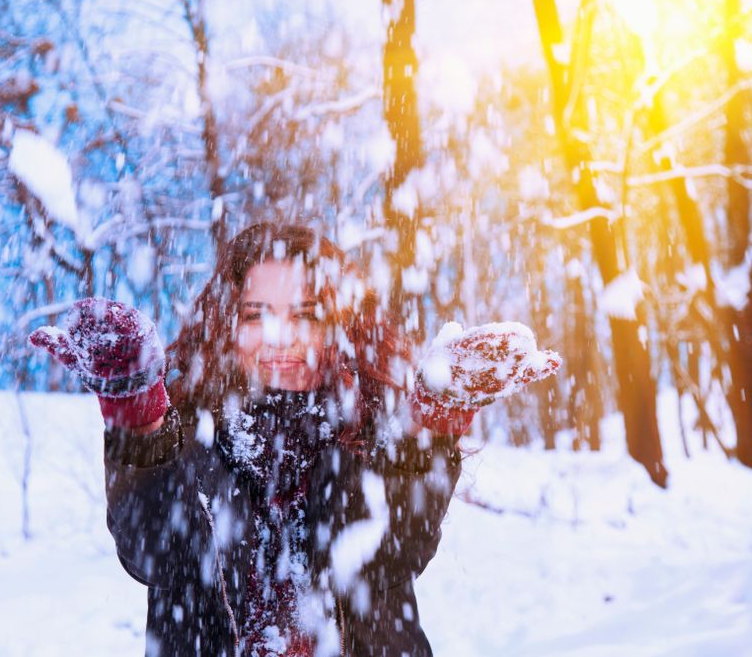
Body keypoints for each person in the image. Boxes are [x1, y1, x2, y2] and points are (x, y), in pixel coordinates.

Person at [29, 223, 559, 656]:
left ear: (341, 325)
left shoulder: (371, 430)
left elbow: (393, 547)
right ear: (226, 325)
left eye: (305, 315)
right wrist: (135, 410)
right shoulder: (187, 434)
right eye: (256, 314)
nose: (280, 336)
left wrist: (436, 417)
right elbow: (155, 552)